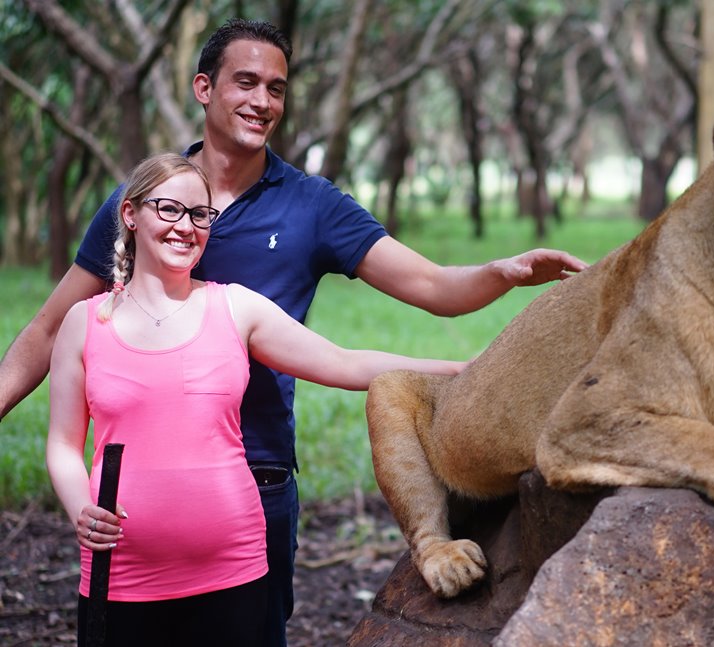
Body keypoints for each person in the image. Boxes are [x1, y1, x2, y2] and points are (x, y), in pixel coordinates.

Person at [1, 18, 586, 645]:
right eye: (245, 82)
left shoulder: (311, 206)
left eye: (276, 89)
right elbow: (46, 330)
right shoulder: (149, 203)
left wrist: (501, 272)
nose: (262, 101)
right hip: (138, 495)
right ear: (204, 87)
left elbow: (430, 289)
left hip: (256, 482)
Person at [47, 153, 466, 647]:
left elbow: (344, 363)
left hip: (233, 567)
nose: (186, 227)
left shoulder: (235, 307)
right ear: (130, 215)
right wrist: (80, 508)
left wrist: (467, 371)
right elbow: (62, 444)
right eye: (169, 210)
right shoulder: (84, 323)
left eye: (200, 215)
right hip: (122, 574)